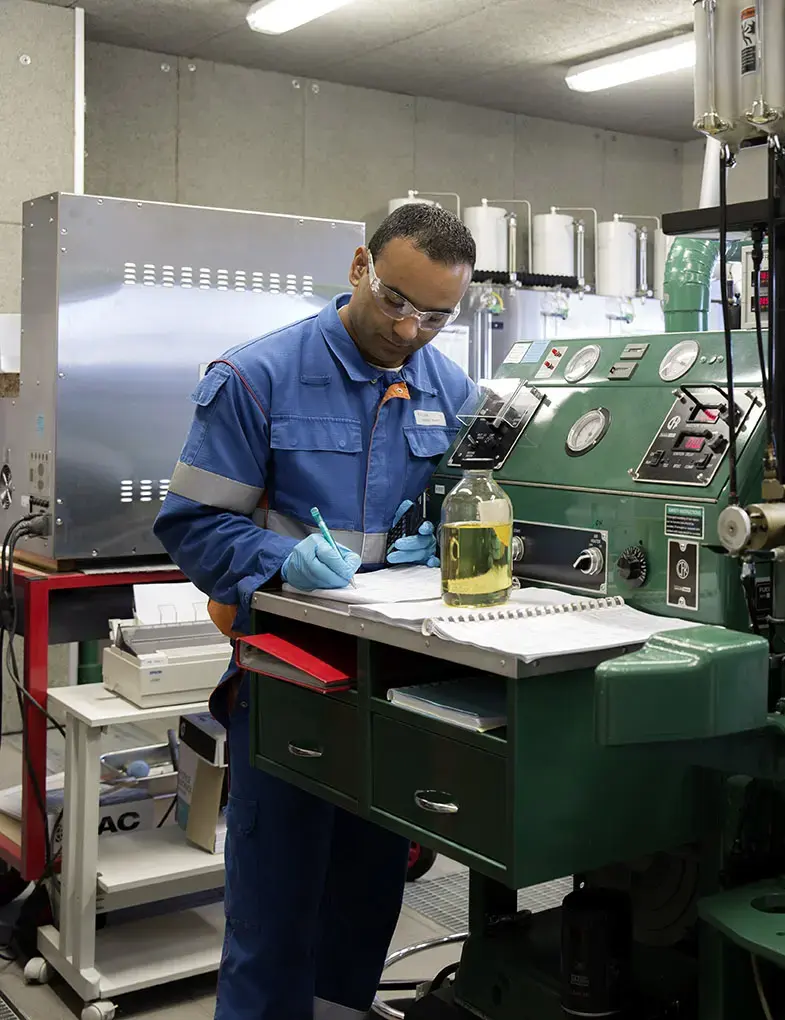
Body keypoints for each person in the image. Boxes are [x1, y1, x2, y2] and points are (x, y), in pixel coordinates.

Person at [154, 203, 479, 1019]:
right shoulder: (255, 378)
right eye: (396, 301)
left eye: (435, 316)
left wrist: (441, 539)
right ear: (359, 266)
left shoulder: (450, 390)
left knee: (363, 906)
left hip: (395, 688)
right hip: (287, 681)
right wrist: (279, 562)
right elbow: (192, 526)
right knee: (275, 913)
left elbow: (464, 508)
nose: (408, 330)